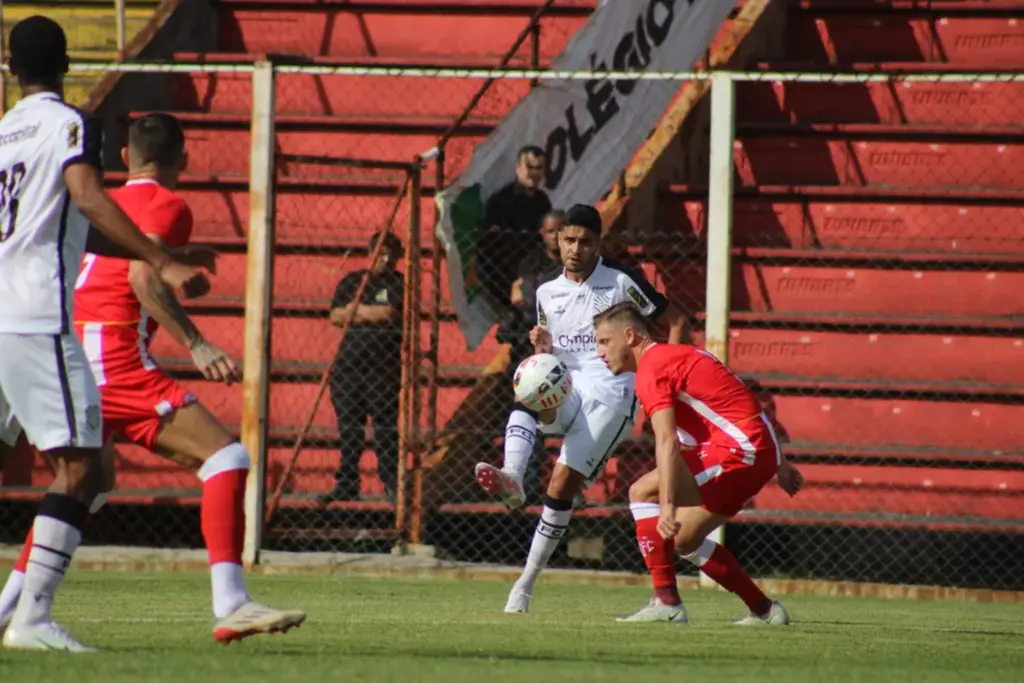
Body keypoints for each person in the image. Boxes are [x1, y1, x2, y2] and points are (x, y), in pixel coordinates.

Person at [0, 112, 305, 646]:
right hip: (114, 357)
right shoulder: (170, 204)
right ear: (182, 162)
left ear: (124, 159)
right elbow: (142, 275)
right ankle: (231, 601)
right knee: (226, 458)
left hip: (67, 348)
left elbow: (114, 264)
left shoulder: (105, 201)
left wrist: (177, 258)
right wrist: (197, 342)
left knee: (85, 483)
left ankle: (9, 608)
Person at [0, 16, 209, 652]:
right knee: (83, 469)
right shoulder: (69, 125)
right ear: (66, 65)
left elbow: (60, 219)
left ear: (10, 71)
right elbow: (87, 198)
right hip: (37, 314)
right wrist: (160, 258)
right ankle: (31, 620)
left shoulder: (4, 133)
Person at [474, 204, 688, 613]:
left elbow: (675, 320)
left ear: (598, 244)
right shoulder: (546, 291)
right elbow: (550, 350)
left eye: (584, 242)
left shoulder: (621, 283)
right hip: (569, 387)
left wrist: (664, 376)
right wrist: (541, 348)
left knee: (559, 486)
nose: (575, 249)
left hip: (611, 394)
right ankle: (513, 477)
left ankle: (525, 584)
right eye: (568, 239)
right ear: (557, 239)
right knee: (532, 379)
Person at [593, 302, 805, 624]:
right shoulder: (677, 357)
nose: (600, 352)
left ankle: (666, 602)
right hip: (756, 452)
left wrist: (666, 505)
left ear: (630, 335)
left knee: (640, 493)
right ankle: (764, 610)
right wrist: (779, 463)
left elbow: (665, 441)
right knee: (685, 540)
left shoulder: (652, 369)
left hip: (739, 453)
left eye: (604, 342)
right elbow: (742, 403)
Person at [320, 232, 405, 503]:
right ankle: (347, 484)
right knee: (349, 428)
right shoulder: (352, 281)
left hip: (383, 368)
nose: (386, 258)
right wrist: (365, 311)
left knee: (385, 428)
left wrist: (354, 310)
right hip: (348, 366)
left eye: (391, 254)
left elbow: (389, 313)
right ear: (370, 253)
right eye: (381, 252)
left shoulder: (400, 282)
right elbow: (335, 315)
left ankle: (391, 484)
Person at [475, 145, 552, 314]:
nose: (534, 173)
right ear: (518, 169)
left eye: (539, 168)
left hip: (534, 275)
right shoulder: (501, 202)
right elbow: (488, 251)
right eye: (529, 167)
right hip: (504, 278)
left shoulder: (543, 201)